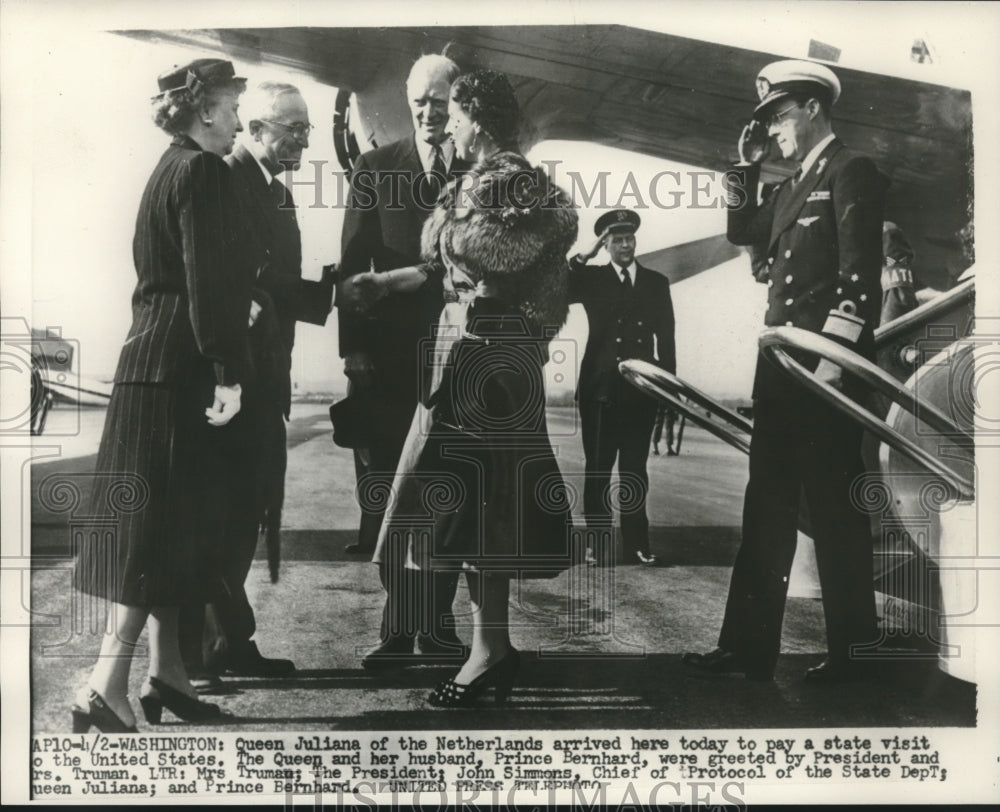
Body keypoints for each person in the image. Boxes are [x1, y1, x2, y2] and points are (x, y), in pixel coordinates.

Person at [684, 59, 887, 683]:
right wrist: (744, 168)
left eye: (779, 116)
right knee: (765, 510)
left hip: (820, 373)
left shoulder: (851, 171)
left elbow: (859, 277)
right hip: (780, 373)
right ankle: (747, 650)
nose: (773, 129)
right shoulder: (790, 184)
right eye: (767, 121)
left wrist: (831, 365)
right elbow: (742, 227)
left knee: (834, 516)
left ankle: (855, 658)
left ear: (814, 108)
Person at [72, 58, 251, 731]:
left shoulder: (166, 167)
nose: (237, 118)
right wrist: (228, 372)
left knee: (168, 531)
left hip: (146, 364)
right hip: (181, 374)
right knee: (152, 541)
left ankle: (166, 675)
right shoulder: (203, 171)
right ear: (205, 109)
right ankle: (102, 686)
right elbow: (208, 285)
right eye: (232, 105)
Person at [179, 81, 336, 681]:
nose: (301, 139)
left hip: (266, 379)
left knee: (249, 513)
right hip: (234, 383)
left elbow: (273, 287)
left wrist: (331, 292)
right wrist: (333, 295)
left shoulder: (276, 193)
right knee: (223, 515)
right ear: (257, 129)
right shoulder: (226, 181)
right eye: (291, 128)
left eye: (306, 129)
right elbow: (237, 286)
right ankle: (197, 651)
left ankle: (225, 643)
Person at [338, 54, 470, 668]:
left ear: (455, 100)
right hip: (389, 362)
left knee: (445, 490)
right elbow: (350, 268)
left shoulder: (481, 170)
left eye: (440, 98)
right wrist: (355, 349)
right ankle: (398, 624)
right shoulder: (374, 167)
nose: (428, 109)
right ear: (408, 100)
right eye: (419, 99)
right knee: (390, 488)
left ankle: (439, 623)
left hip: (459, 358)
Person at [569, 210, 676, 566]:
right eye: (616, 240)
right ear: (607, 244)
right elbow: (560, 284)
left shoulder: (656, 282)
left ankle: (637, 544)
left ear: (636, 241)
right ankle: (596, 545)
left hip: (639, 391)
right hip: (599, 389)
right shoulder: (593, 279)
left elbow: (667, 339)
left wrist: (668, 390)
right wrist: (585, 255)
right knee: (598, 467)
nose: (625, 245)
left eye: (629, 238)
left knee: (635, 469)